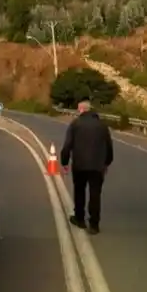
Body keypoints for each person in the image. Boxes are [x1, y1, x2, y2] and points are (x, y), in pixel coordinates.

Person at [59, 99, 113, 235]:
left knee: (79, 192)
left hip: (80, 165)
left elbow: (67, 146)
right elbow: (109, 147)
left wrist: (64, 163)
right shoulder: (102, 126)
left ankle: (80, 218)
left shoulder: (75, 124)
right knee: (95, 194)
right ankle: (94, 224)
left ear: (82, 110)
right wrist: (106, 163)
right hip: (97, 166)